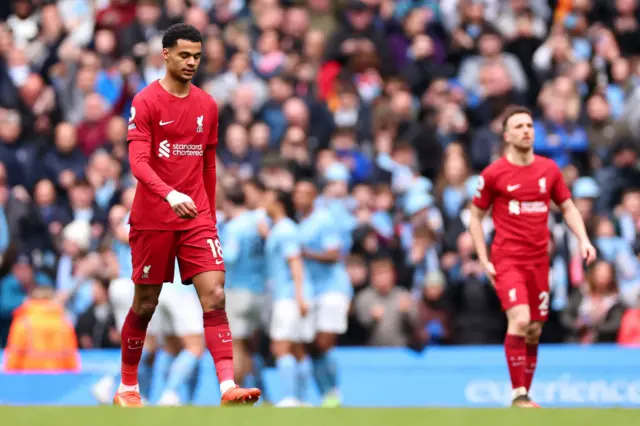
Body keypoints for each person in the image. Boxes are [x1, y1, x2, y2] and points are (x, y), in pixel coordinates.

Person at [113, 23, 260, 407]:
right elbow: (138, 161)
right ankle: (128, 387)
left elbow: (209, 164)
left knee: (215, 295)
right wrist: (168, 192)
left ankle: (227, 386)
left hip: (195, 216)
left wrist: (207, 214)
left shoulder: (207, 105)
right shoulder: (145, 102)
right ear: (165, 54)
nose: (192, 62)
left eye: (197, 55)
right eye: (184, 55)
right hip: (152, 217)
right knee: (145, 304)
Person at [469, 105, 596, 408]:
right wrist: (483, 257)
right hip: (508, 259)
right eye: (519, 126)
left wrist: (584, 239)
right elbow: (475, 218)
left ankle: (525, 395)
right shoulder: (493, 174)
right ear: (507, 134)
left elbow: (567, 207)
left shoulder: (548, 169)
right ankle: (518, 395)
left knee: (535, 329)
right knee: (521, 319)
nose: (527, 130)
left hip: (540, 261)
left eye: (529, 125)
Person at [293, 179, 352, 407]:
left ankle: (333, 391)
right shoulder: (300, 223)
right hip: (313, 291)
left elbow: (334, 254)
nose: (299, 198)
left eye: (305, 193)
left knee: (323, 343)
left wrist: (304, 254)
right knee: (310, 345)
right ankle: (328, 394)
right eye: (297, 193)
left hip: (333, 290)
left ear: (314, 196)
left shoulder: (324, 219)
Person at [264, 189, 314, 407]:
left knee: (281, 346)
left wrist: (299, 296)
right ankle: (302, 398)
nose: (263, 202)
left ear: (278, 203)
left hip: (289, 297)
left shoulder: (285, 230)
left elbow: (295, 264)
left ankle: (290, 397)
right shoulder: (280, 229)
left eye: (267, 198)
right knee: (296, 348)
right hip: (288, 295)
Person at [219, 186, 267, 390]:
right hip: (259, 290)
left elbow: (229, 257)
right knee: (249, 346)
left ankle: (236, 394)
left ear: (229, 202)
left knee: (235, 345)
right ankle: (256, 391)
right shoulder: (257, 222)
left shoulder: (234, 228)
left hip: (238, 290)